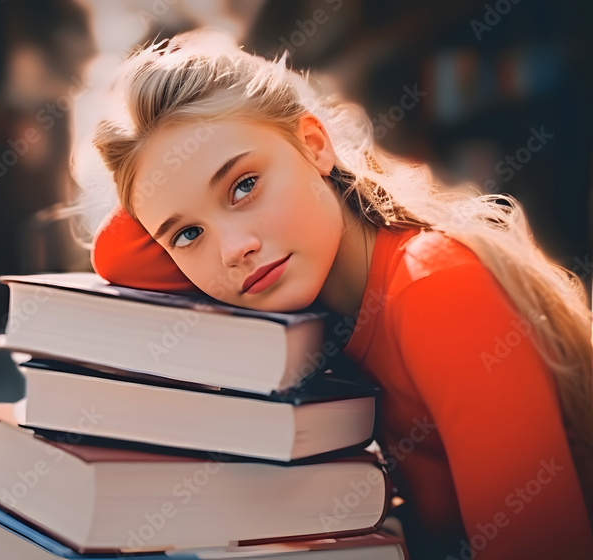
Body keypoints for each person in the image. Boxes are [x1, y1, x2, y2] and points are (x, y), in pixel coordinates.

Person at [79, 28, 593, 559]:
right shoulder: (327, 303)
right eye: (188, 234)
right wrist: (154, 152)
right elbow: (119, 257)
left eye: (244, 185)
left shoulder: (433, 284)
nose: (234, 250)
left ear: (314, 145)